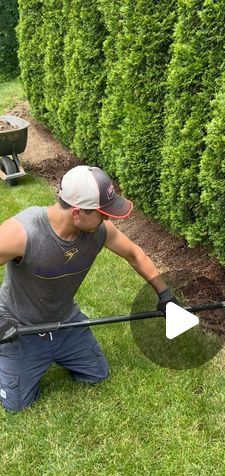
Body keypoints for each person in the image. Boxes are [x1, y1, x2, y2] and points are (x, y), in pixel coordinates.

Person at [0, 165, 179, 412]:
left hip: (66, 321)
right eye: (102, 213)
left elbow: (134, 254)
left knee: (97, 374)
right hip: (20, 326)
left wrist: (165, 294)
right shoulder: (22, 232)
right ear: (77, 213)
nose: (107, 219)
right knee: (18, 405)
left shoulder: (99, 231)